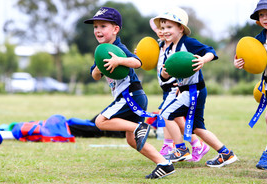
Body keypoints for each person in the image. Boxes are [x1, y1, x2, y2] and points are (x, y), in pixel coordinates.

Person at [84, 7, 175, 179]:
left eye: (103, 26)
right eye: (95, 27)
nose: (97, 30)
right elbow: (95, 75)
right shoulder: (102, 51)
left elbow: (137, 62)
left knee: (100, 121)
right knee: (132, 140)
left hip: (130, 95)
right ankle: (164, 163)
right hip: (133, 96)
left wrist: (119, 60)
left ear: (115, 29)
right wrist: (98, 66)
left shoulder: (117, 48)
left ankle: (139, 126)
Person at [153, 7, 238, 167]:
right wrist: (165, 74)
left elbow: (210, 51)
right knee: (197, 128)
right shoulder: (170, 48)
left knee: (165, 114)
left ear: (181, 28)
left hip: (193, 90)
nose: (165, 31)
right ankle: (226, 153)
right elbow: (167, 75)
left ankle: (180, 149)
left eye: (169, 27)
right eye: (163, 28)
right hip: (189, 90)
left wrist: (203, 60)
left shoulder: (188, 42)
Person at [234, 0, 267, 174]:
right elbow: (249, 57)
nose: (264, 18)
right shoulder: (259, 39)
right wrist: (239, 62)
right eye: (261, 15)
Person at [149, 18, 209, 162]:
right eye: (159, 29)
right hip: (166, 86)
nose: (161, 31)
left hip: (174, 87)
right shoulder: (161, 46)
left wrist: (181, 86)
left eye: (166, 28)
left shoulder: (177, 45)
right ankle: (193, 145)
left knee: (168, 115)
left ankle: (176, 146)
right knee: (172, 117)